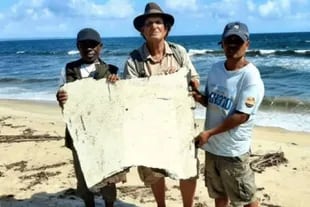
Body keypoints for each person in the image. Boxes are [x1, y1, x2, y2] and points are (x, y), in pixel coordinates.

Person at [123, 2, 200, 207]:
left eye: (158, 22)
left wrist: (190, 85)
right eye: (149, 23)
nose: (154, 26)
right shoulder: (134, 60)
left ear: (166, 28)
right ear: (142, 30)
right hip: (150, 127)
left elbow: (194, 79)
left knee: (188, 169)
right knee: (154, 172)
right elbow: (130, 95)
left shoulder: (179, 52)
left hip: (180, 123)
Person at [192, 22, 264, 207]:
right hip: (212, 148)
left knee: (245, 197)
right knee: (219, 194)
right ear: (222, 43)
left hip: (233, 151)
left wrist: (208, 133)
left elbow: (241, 116)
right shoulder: (216, 69)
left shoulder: (250, 77)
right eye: (228, 40)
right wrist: (198, 95)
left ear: (247, 44)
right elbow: (212, 101)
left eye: (237, 41)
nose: (232, 45)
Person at [56, 28, 126, 207]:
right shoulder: (68, 69)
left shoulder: (111, 70)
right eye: (84, 45)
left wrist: (116, 85)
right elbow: (63, 98)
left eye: (93, 44)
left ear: (101, 47)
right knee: (84, 174)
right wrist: (60, 98)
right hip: (79, 134)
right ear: (78, 47)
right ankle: (89, 204)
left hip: (104, 133)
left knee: (108, 174)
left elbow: (118, 103)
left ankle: (109, 203)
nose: (89, 48)